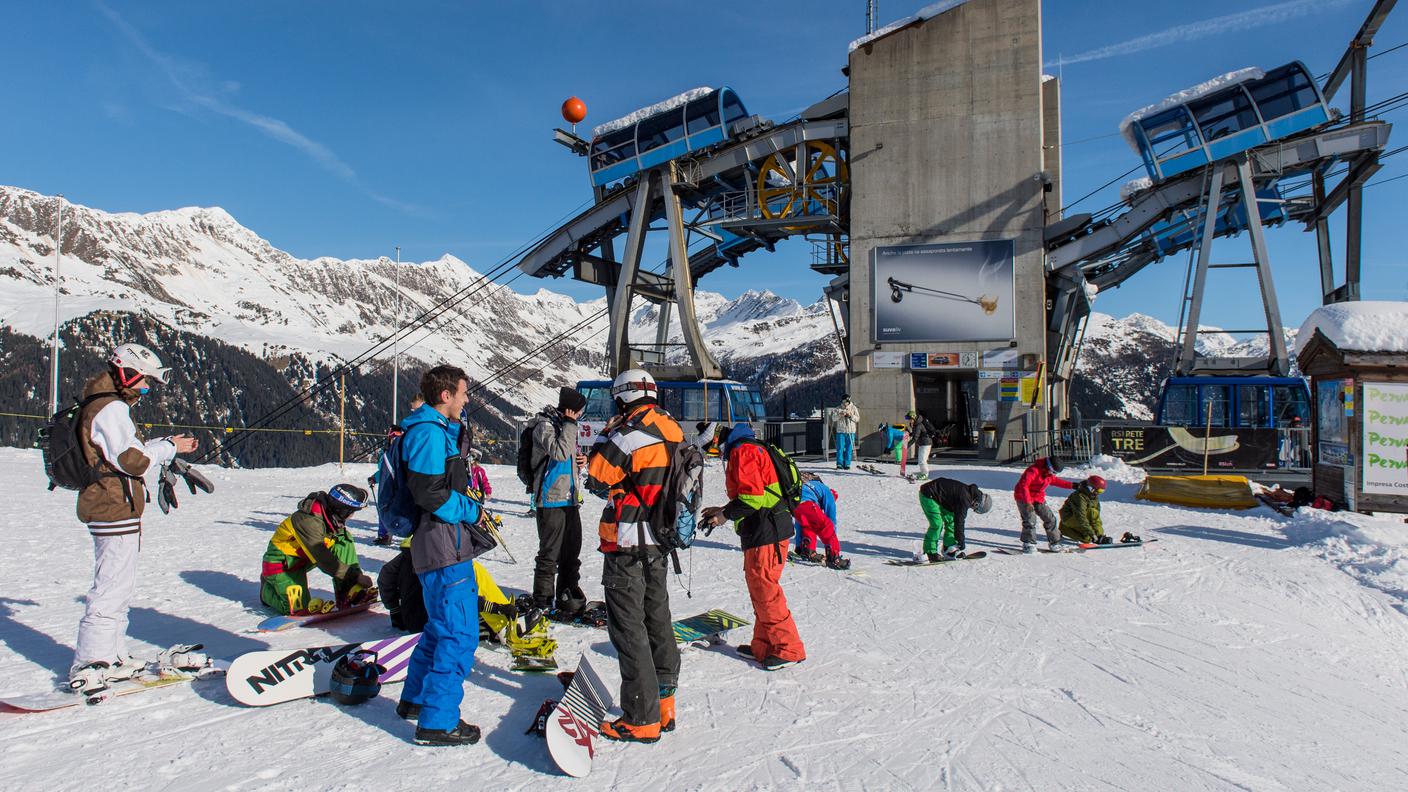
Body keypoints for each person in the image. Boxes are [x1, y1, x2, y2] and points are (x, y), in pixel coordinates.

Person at [68, 344, 199, 693]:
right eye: (144, 382)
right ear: (125, 373)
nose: (146, 389)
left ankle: (111, 655)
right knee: (110, 585)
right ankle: (91, 661)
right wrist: (170, 448)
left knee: (119, 585)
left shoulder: (106, 405)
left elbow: (124, 453)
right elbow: (133, 461)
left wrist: (162, 444)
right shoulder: (111, 408)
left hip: (114, 506)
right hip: (111, 506)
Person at [584, 368, 683, 744]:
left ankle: (641, 717)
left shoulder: (629, 434)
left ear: (623, 396)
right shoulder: (672, 428)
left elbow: (596, 476)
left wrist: (607, 435)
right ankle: (664, 703)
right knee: (657, 618)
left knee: (628, 626)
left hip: (628, 541)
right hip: (660, 540)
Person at [395, 365, 485, 747]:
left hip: (437, 542)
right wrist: (471, 510)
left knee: (439, 627)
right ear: (445, 395)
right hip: (443, 544)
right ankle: (438, 720)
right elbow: (430, 493)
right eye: (462, 393)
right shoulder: (429, 434)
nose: (466, 400)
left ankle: (416, 699)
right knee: (460, 634)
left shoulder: (431, 429)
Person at [702, 423, 806, 672]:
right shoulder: (750, 446)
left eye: (709, 448)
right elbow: (756, 494)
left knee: (766, 590)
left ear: (716, 440)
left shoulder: (743, 451)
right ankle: (765, 646)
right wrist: (723, 510)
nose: (711, 453)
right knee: (760, 589)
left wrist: (724, 515)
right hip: (765, 527)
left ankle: (788, 648)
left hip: (766, 530)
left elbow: (753, 497)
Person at [379, 539, 528, 641]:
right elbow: (456, 597)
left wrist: (395, 610)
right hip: (436, 625)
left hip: (412, 620)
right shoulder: (440, 561)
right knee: (473, 571)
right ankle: (504, 624)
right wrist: (496, 608)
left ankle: (494, 618)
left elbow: (384, 577)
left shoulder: (404, 557)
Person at [259, 484, 375, 614]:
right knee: (298, 609)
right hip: (282, 565)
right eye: (351, 511)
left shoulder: (330, 517)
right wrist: (355, 576)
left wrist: (352, 580)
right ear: (342, 510)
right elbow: (324, 559)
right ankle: (266, 592)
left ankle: (347, 590)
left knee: (343, 539)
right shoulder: (309, 522)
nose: (352, 515)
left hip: (304, 559)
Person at [528, 387, 589, 615]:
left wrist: (580, 461)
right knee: (550, 553)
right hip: (551, 499)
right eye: (580, 411)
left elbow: (567, 458)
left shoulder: (564, 425)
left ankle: (567, 592)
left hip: (570, 498)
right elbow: (560, 452)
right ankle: (542, 600)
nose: (582, 415)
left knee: (572, 550)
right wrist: (570, 425)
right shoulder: (544, 425)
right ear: (572, 410)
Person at [917, 477, 992, 561]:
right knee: (937, 524)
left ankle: (948, 548)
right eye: (975, 509)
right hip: (928, 494)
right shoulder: (965, 499)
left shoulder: (970, 494)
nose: (972, 509)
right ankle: (929, 552)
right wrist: (961, 542)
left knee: (951, 521)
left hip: (942, 497)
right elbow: (959, 522)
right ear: (977, 504)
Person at [1014, 456, 1074, 553]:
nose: (1054, 474)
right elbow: (1023, 485)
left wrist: (1073, 485)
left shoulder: (1048, 474)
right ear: (1049, 466)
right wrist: (1028, 502)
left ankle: (1055, 542)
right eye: (1054, 472)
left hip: (1038, 497)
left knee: (1050, 518)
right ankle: (1028, 543)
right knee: (1030, 520)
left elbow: (1054, 481)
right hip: (1023, 497)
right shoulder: (1033, 470)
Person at [793, 472, 850, 569]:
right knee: (826, 526)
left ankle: (807, 550)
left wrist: (798, 546)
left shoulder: (812, 486)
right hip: (806, 502)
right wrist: (833, 538)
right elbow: (831, 520)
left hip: (794, 503)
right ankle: (834, 558)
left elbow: (798, 525)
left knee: (807, 525)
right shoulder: (829, 493)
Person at [371, 425, 406, 546]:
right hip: (387, 485)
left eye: (398, 436)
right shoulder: (386, 452)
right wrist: (375, 478)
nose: (395, 439)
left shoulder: (402, 451)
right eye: (393, 436)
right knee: (384, 508)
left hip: (399, 485)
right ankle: (385, 535)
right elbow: (383, 470)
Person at [1059, 476, 1108, 545]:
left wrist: (1100, 535)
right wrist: (1092, 534)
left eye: (1101, 491)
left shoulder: (1093, 497)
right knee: (1087, 538)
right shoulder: (1079, 496)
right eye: (1099, 491)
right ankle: (1064, 529)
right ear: (1091, 488)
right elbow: (1080, 517)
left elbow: (1096, 518)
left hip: (1081, 518)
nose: (1099, 493)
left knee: (1093, 512)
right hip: (1069, 517)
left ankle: (1094, 534)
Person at [905, 410, 936, 480]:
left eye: (909, 419)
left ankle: (925, 474)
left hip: (926, 443)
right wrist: (909, 433)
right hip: (923, 443)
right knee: (921, 460)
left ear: (913, 418)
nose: (908, 421)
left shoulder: (918, 425)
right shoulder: (916, 424)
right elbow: (916, 434)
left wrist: (907, 446)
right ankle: (923, 473)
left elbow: (915, 438)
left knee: (922, 460)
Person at [833, 395, 860, 470]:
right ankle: (839, 463)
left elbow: (857, 419)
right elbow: (833, 418)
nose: (844, 403)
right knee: (840, 448)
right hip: (841, 431)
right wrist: (840, 415)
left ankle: (847, 463)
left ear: (849, 401)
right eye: (843, 402)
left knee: (849, 448)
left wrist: (850, 416)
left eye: (846, 402)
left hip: (850, 431)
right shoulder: (838, 408)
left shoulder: (853, 408)